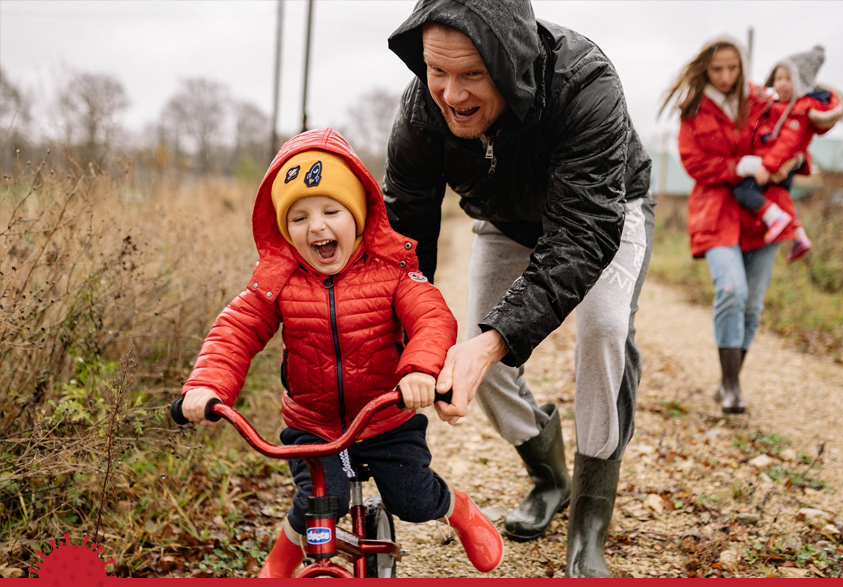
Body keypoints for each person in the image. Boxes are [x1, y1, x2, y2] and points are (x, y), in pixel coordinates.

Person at [382, 0, 655, 578]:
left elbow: (582, 233)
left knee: (602, 328)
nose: (451, 94)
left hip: (605, 209)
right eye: (437, 71)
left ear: (509, 64)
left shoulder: (586, 83)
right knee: (479, 346)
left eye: (473, 74)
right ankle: (550, 477)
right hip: (506, 220)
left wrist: (492, 341)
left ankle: (588, 526)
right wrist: (408, 344)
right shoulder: (420, 111)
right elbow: (404, 238)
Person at [180, 128, 504, 577]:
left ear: (358, 216)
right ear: (283, 229)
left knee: (412, 499)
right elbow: (235, 331)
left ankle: (458, 508)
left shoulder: (391, 272)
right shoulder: (277, 281)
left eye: (332, 211)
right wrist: (206, 386)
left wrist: (420, 370)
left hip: (387, 416)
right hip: (313, 423)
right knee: (317, 504)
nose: (317, 227)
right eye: (298, 218)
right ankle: (281, 561)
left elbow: (432, 318)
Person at [659, 36, 800, 415]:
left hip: (762, 211)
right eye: (717, 69)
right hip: (716, 209)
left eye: (732, 68)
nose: (724, 76)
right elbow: (693, 162)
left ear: (742, 67)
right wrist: (736, 167)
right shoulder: (694, 108)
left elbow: (793, 129)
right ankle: (733, 386)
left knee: (752, 304)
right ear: (706, 68)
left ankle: (728, 382)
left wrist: (795, 157)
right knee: (732, 289)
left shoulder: (760, 100)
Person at [735, 45, 843, 262]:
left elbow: (787, 144)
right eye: (778, 78)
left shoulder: (798, 111)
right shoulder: (776, 106)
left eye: (788, 79)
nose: (781, 84)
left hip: (775, 166)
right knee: (780, 197)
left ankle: (775, 219)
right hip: (776, 164)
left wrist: (767, 167)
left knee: (744, 192)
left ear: (800, 83)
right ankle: (799, 236)